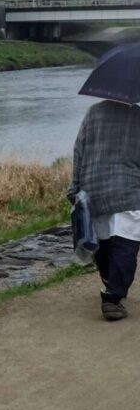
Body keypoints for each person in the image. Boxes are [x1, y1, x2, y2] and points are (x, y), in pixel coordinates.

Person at [68, 99, 140, 321]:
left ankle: (111, 283)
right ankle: (112, 298)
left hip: (93, 188)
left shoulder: (93, 113)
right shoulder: (138, 115)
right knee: (126, 242)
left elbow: (79, 149)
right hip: (127, 190)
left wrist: (75, 187)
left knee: (104, 241)